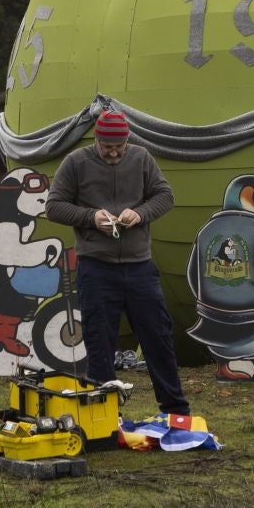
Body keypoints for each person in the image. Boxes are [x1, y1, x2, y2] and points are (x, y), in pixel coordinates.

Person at [46, 108, 191, 416]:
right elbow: (54, 206)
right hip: (95, 268)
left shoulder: (142, 158)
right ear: (96, 140)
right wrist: (90, 217)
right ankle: (104, 417)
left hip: (140, 267)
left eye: (118, 147)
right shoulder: (75, 163)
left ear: (127, 141)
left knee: (158, 337)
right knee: (99, 343)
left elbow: (165, 196)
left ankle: (175, 409)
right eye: (106, 147)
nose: (113, 153)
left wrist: (140, 213)